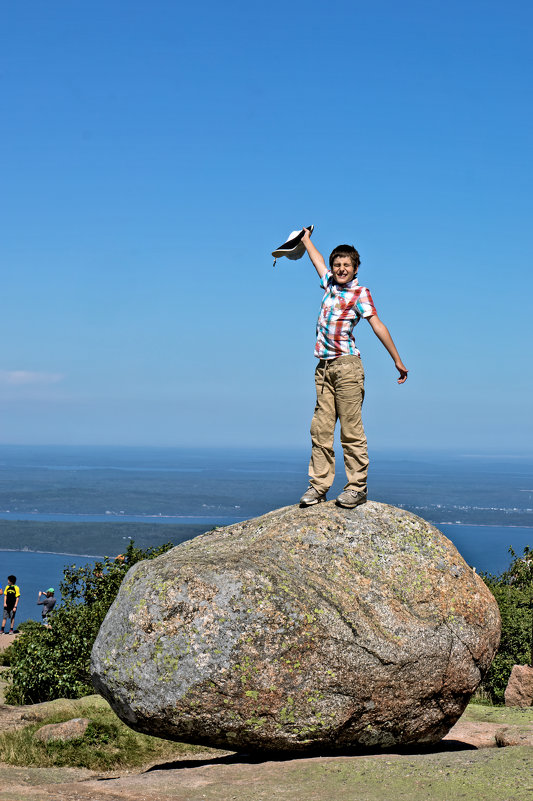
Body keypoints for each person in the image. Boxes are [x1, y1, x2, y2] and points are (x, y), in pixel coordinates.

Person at [299, 229, 408, 508]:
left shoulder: (360, 293)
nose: (340, 269)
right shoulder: (330, 285)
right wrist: (305, 240)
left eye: (346, 265)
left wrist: (396, 359)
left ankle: (357, 488)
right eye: (337, 265)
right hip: (323, 369)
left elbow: (377, 325)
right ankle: (318, 486)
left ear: (355, 268)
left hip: (347, 367)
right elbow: (317, 261)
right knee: (320, 430)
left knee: (350, 430)